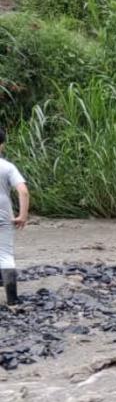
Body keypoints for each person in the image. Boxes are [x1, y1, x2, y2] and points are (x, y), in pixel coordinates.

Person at [0, 127, 30, 307]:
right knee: (5, 254)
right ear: (1, 145)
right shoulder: (7, 167)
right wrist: (23, 215)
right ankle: (12, 300)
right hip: (3, 212)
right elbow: (23, 191)